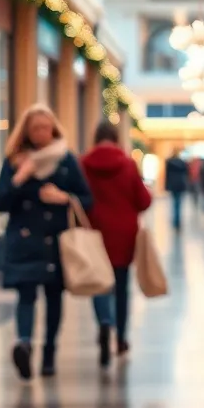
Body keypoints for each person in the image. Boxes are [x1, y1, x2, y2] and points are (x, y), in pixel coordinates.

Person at [0, 104, 93, 380]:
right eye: (35, 128)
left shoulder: (66, 160)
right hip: (25, 240)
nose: (41, 133)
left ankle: (49, 352)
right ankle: (24, 345)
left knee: (53, 298)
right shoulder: (15, 160)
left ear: (53, 129)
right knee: (25, 295)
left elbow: (86, 199)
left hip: (56, 241)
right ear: (26, 131)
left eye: (45, 127)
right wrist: (19, 178)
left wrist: (64, 198)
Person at [81, 122, 152, 366]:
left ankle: (104, 322)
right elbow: (143, 201)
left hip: (94, 233)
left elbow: (80, 198)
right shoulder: (128, 164)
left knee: (98, 283)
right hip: (124, 234)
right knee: (121, 288)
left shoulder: (83, 164)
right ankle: (120, 338)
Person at [163, 150, 190, 231]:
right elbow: (186, 174)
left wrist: (166, 186)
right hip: (180, 184)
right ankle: (177, 221)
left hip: (172, 184)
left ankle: (175, 221)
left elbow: (167, 175)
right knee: (178, 203)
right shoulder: (182, 163)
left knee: (174, 203)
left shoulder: (169, 163)